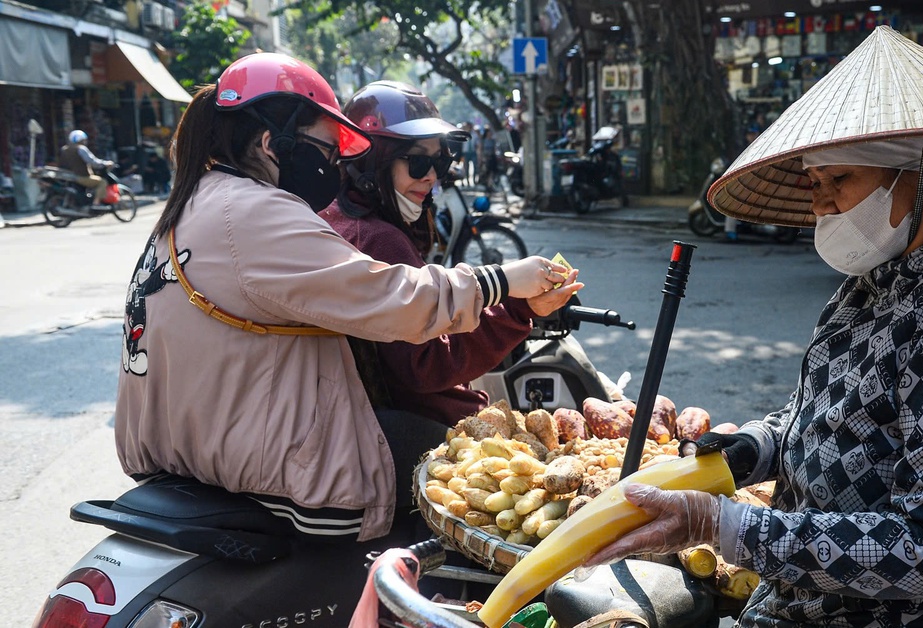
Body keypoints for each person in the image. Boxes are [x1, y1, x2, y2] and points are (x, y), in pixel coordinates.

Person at [582, 26, 923, 627]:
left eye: (840, 182)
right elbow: (828, 415)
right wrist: (755, 448)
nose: (822, 205)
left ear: (922, 176)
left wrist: (724, 526)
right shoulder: (877, 280)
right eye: (815, 185)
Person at [114, 52, 570, 543]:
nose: (331, 166)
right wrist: (505, 283)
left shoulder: (200, 200)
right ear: (272, 144)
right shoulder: (253, 213)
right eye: (326, 151)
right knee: (462, 461)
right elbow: (398, 300)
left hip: (193, 446)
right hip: (269, 470)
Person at [319, 81, 582, 425]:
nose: (430, 177)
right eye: (416, 163)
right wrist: (517, 307)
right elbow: (427, 364)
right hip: (429, 426)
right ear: (372, 161)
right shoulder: (378, 239)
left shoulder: (341, 215)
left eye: (439, 162)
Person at [58, 130, 113, 199]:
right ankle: (96, 204)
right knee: (102, 182)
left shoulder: (64, 149)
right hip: (82, 176)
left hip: (70, 176)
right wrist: (105, 163)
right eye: (83, 140)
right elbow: (93, 162)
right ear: (80, 140)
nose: (85, 142)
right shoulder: (81, 149)